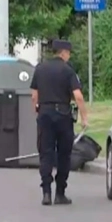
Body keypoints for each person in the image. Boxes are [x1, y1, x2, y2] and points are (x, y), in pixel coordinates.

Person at [30, 39, 88, 206]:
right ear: (63, 52)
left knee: (46, 152)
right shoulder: (68, 71)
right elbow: (78, 96)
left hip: (45, 114)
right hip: (63, 115)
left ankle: (46, 192)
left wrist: (37, 110)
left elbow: (34, 95)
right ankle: (60, 193)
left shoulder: (40, 69)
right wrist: (84, 117)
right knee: (64, 154)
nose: (69, 56)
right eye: (68, 53)